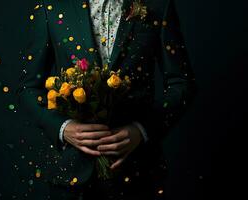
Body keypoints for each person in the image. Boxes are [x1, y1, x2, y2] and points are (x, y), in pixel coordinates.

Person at [17, 0, 197, 199]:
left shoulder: (157, 6)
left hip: (138, 173)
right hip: (71, 174)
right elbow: (28, 88)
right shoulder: (52, 7)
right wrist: (63, 128)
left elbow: (182, 83)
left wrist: (142, 129)